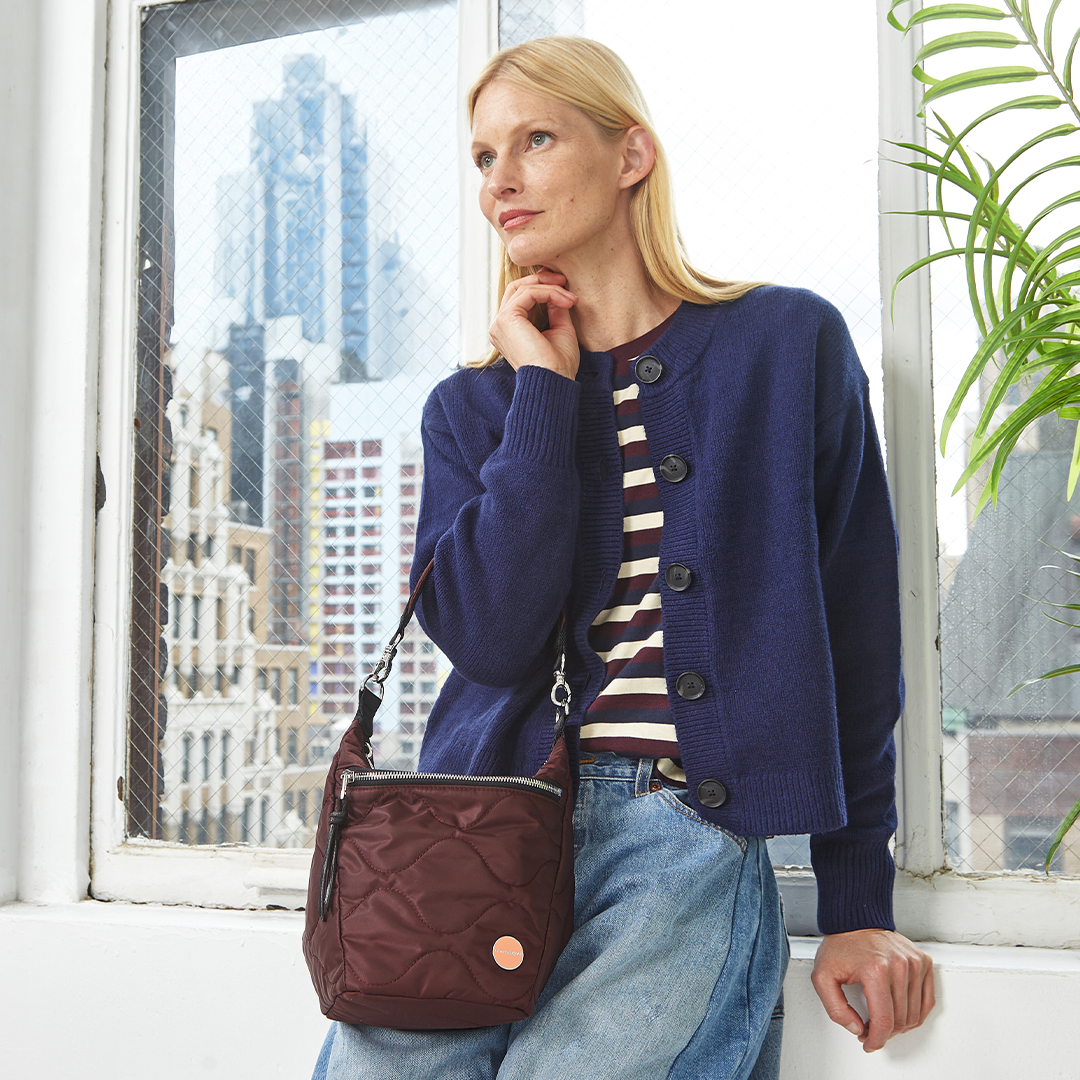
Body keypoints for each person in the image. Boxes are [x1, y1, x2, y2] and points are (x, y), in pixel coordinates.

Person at [313, 34, 934, 1080]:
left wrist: (857, 906)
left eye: (535, 140)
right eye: (481, 158)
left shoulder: (786, 348)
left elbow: (860, 642)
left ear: (630, 155)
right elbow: (491, 637)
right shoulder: (477, 406)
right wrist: (544, 397)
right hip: (475, 831)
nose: (498, 182)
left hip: (685, 829)